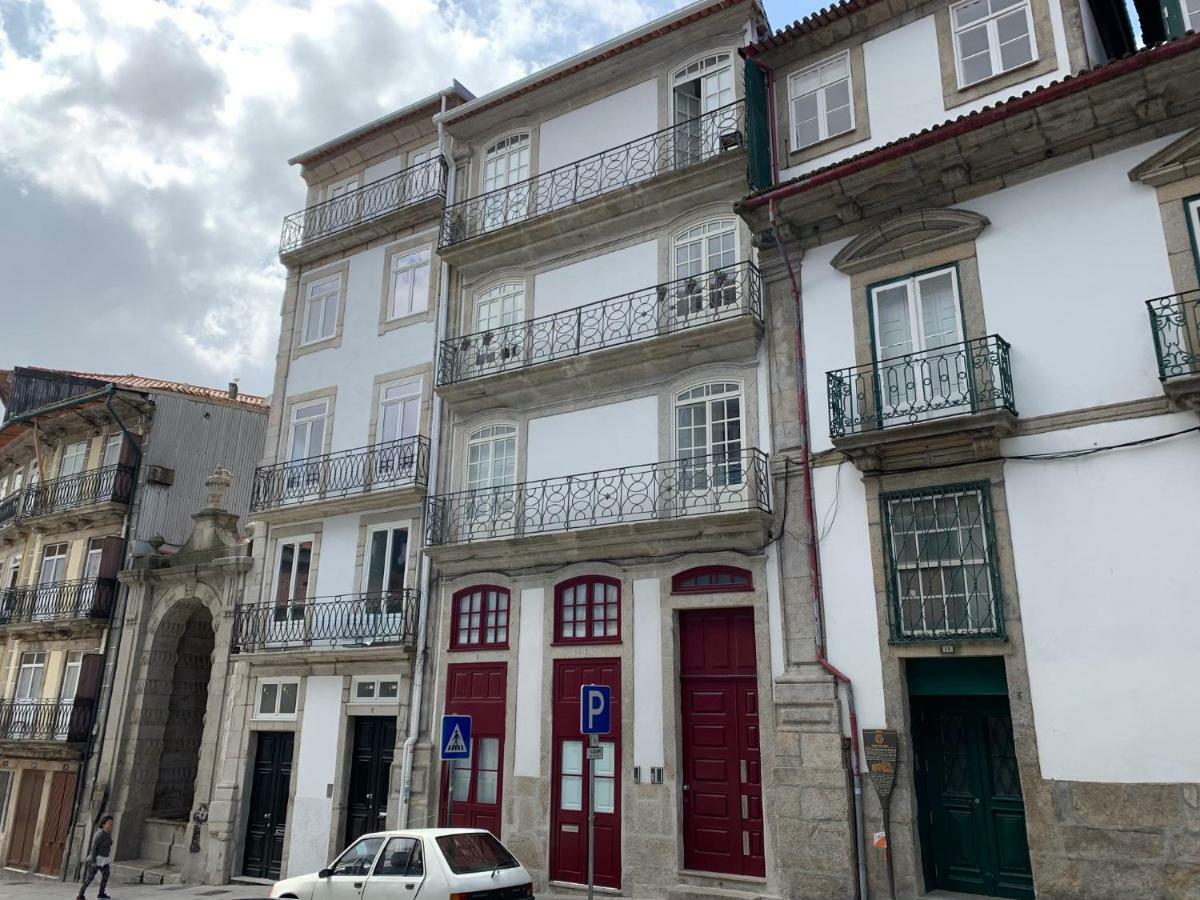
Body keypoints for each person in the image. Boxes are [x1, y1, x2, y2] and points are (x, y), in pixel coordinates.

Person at [77, 814, 114, 900]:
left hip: (104, 859)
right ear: (103, 824)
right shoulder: (100, 833)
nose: (111, 824)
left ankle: (101, 893)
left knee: (106, 875)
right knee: (90, 878)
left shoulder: (108, 833)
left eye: (112, 823)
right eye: (109, 823)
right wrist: (93, 862)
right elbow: (93, 848)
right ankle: (80, 895)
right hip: (96, 859)